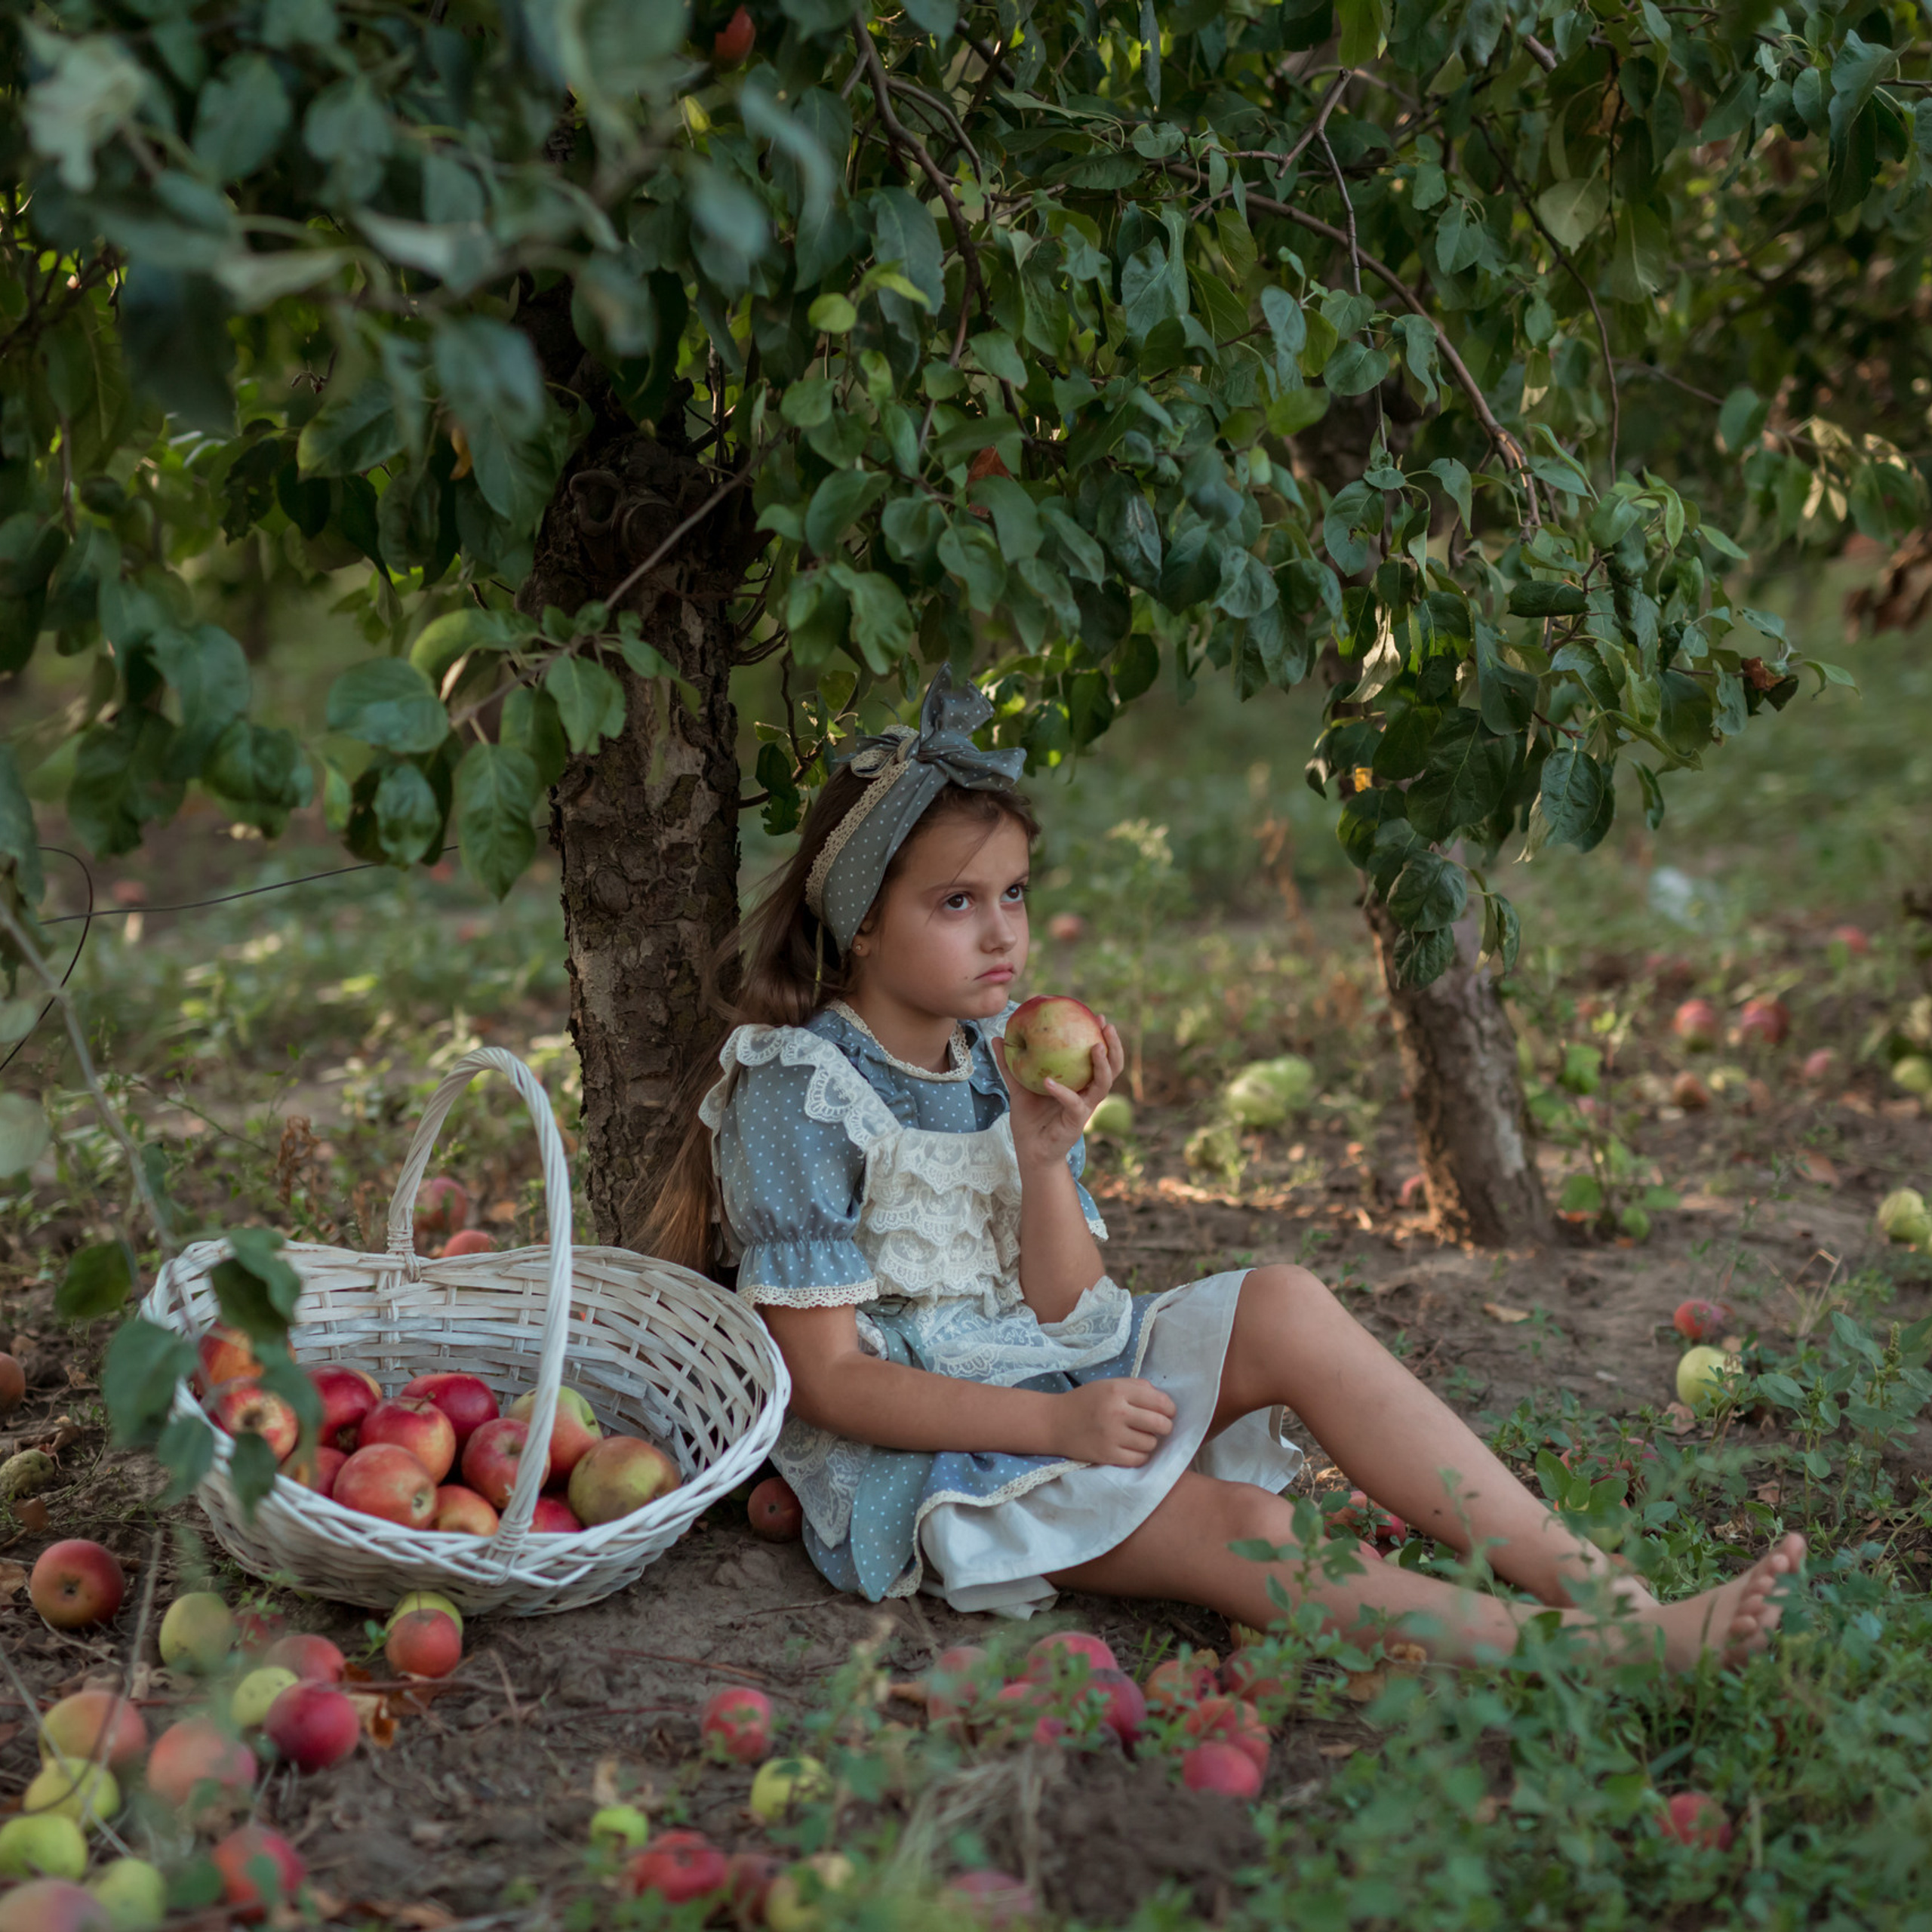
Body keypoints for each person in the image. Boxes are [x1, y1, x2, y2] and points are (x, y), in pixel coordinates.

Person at [646, 668, 1803, 1666]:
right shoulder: (798, 1086)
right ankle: (1586, 1659)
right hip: (928, 1456)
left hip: (1041, 1374)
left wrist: (1044, 1162)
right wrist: (1057, 1431)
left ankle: (1604, 1588)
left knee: (1287, 1301)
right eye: (957, 903)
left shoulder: (993, 1057)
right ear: (860, 923)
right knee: (1241, 1526)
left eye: (1014, 896)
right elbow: (833, 1382)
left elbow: (1068, 1306)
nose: (1003, 933)